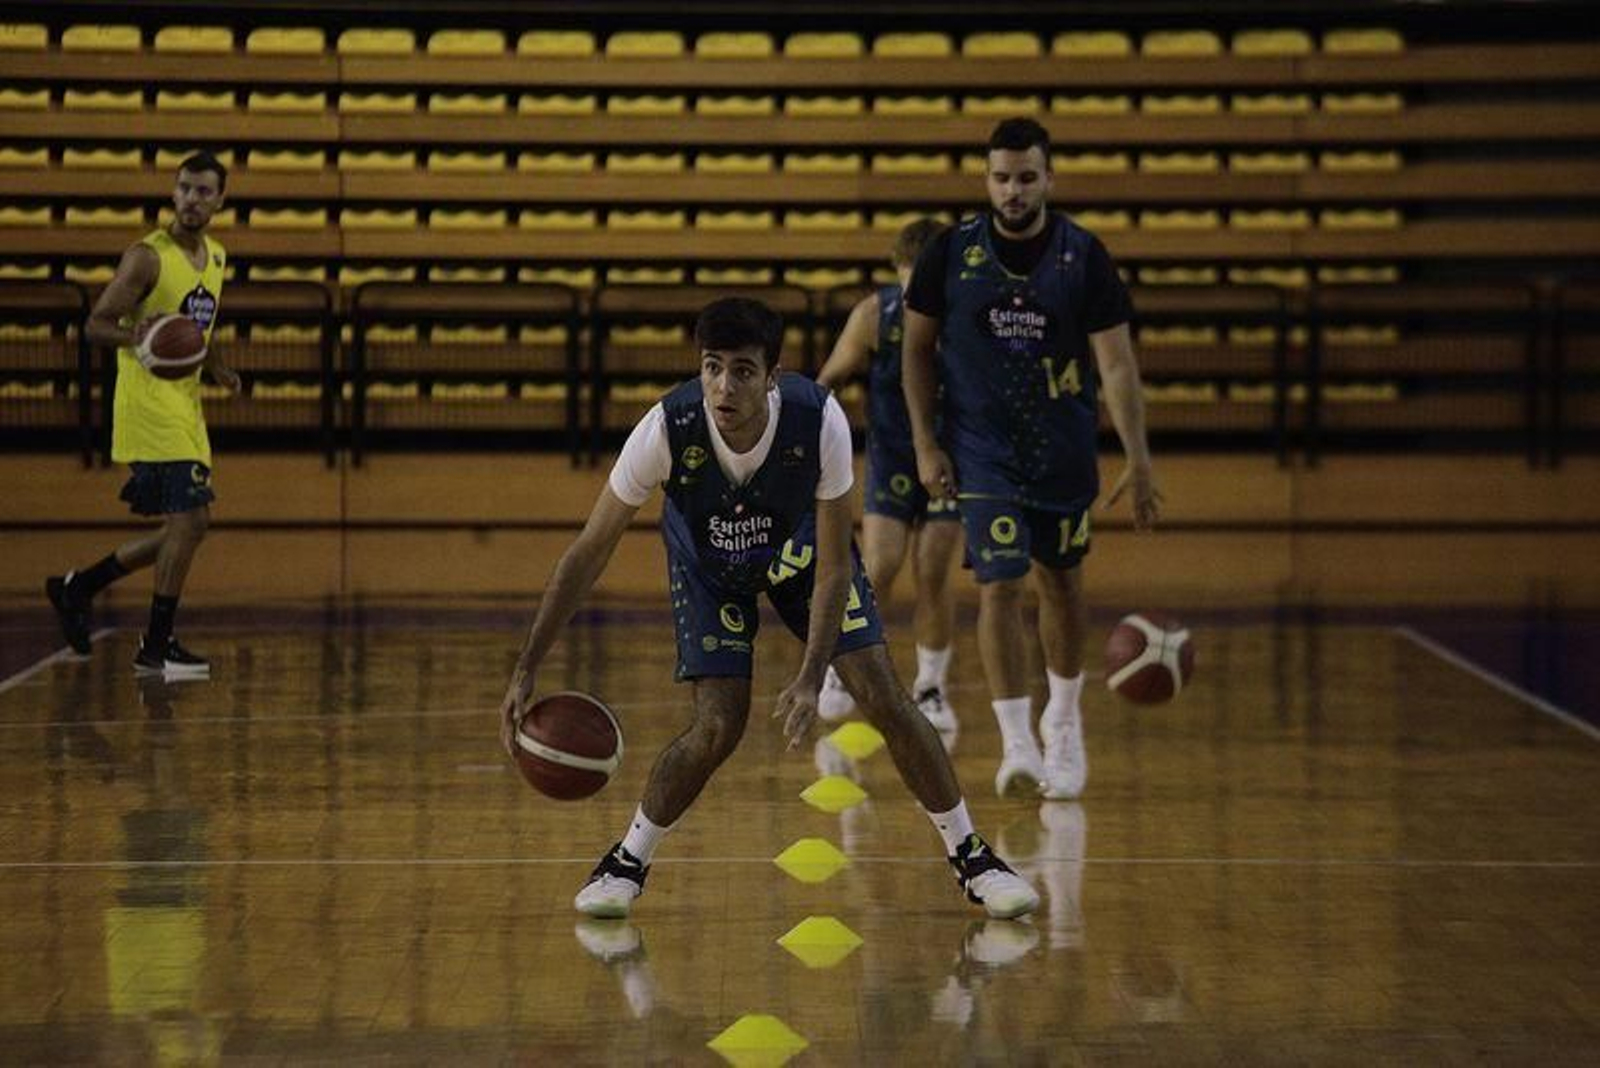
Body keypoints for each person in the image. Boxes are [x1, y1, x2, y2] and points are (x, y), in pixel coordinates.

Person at [500, 297, 1038, 921]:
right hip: (709, 569)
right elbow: (588, 552)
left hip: (803, 556)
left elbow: (837, 563)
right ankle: (627, 860)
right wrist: (527, 664)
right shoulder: (664, 430)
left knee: (882, 692)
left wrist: (813, 674)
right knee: (717, 723)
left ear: (771, 377)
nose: (724, 385)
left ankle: (972, 856)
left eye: (743, 370)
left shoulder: (819, 421)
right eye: (712, 367)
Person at [901, 118, 1161, 801]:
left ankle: (1064, 722)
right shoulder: (951, 253)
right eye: (1000, 177)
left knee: (1063, 585)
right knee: (1000, 583)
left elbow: (1117, 363)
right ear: (986, 180)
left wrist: (1138, 457)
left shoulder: (1085, 257)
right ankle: (1016, 741)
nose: (1012, 190)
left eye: (1025, 177)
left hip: (1063, 448)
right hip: (982, 452)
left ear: (1049, 178)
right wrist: (926, 444)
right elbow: (915, 351)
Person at [45, 151, 240, 676]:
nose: (191, 200)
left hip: (186, 408)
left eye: (203, 191)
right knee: (193, 519)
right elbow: (95, 324)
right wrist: (138, 334)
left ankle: (79, 587)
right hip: (149, 409)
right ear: (173, 193)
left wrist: (218, 368)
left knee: (187, 529)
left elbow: (199, 328)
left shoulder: (217, 257)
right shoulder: (146, 257)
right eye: (184, 189)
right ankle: (156, 645)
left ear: (221, 199)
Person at [813, 219, 965, 737]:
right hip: (894, 454)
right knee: (880, 564)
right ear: (897, 273)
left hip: (953, 455)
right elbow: (831, 379)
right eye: (910, 278)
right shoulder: (875, 315)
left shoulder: (966, 314)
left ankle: (931, 684)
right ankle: (840, 667)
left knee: (934, 564)